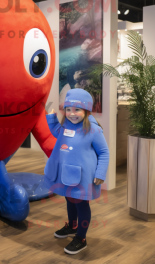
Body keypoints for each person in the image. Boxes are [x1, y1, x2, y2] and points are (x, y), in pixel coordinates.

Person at [44, 88, 109, 255]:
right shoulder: (66, 125)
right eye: (68, 109)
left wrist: (100, 174)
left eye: (77, 110)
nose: (72, 114)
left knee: (81, 204)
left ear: (86, 110)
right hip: (67, 175)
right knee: (69, 199)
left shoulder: (93, 130)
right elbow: (58, 134)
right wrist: (51, 119)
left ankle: (81, 238)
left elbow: (104, 152)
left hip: (83, 177)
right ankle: (72, 226)